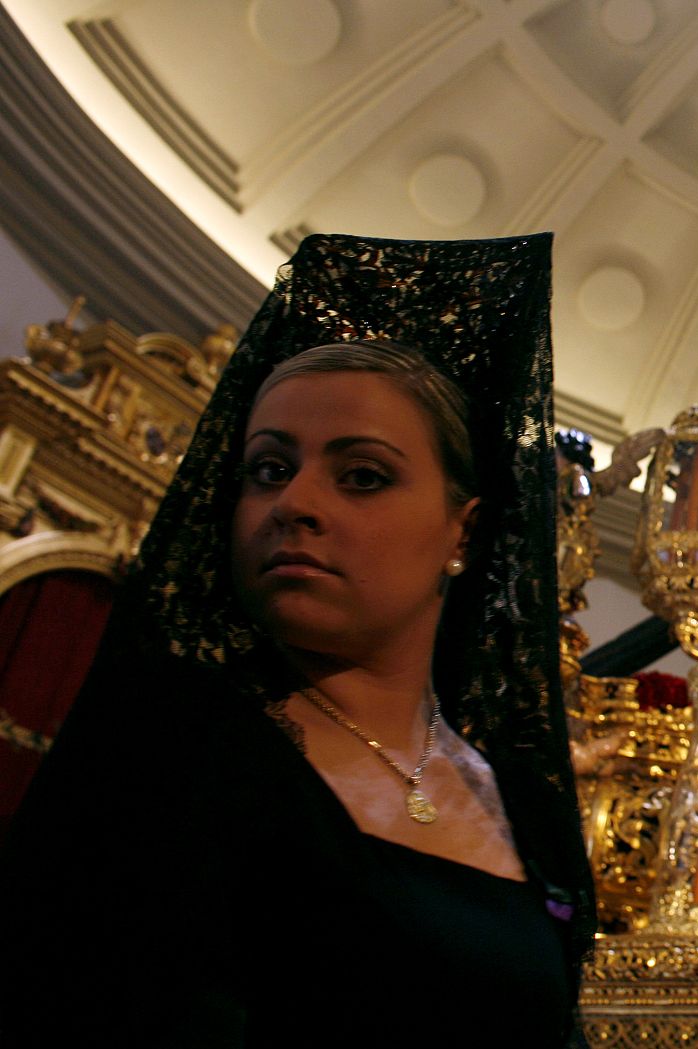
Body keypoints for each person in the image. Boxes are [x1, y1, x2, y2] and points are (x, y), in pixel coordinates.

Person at [0, 235, 594, 1046]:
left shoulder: (522, 802)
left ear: (464, 528)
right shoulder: (174, 749)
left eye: (362, 476)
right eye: (269, 469)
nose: (295, 503)